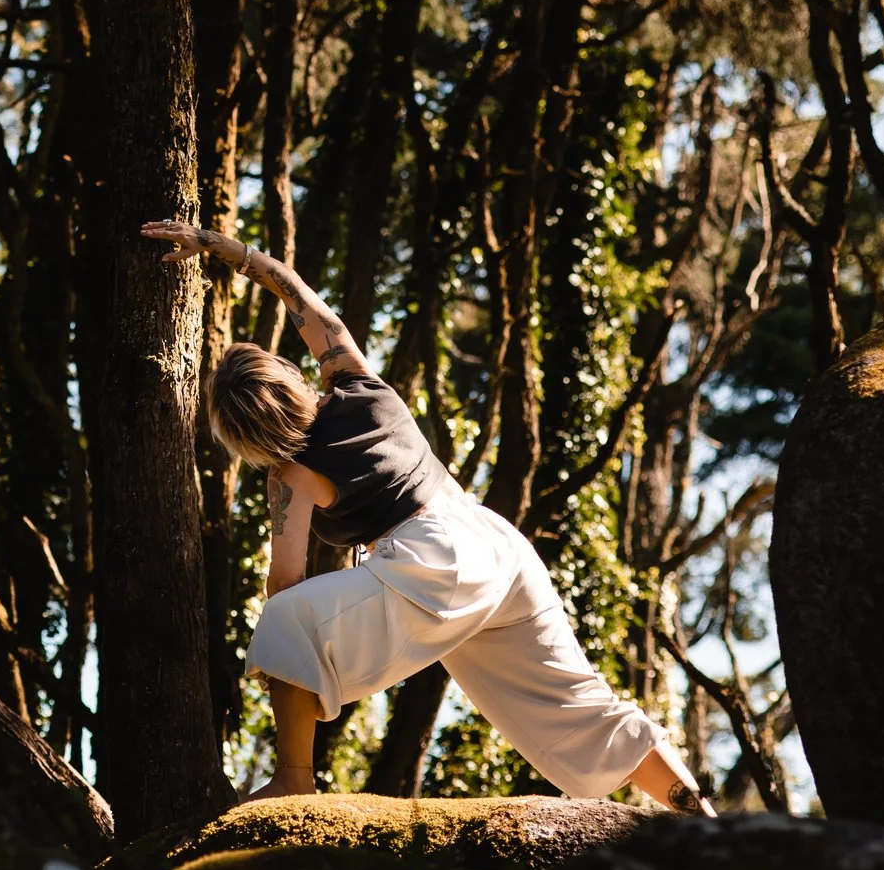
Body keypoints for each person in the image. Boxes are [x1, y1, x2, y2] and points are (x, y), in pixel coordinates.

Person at [140, 218, 717, 815]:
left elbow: (285, 584)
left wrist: (291, 673)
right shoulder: (357, 383)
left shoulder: (288, 474)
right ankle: (698, 812)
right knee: (575, 703)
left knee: (286, 619)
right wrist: (218, 246)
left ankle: (293, 779)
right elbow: (299, 295)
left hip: (434, 562)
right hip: (494, 545)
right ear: (287, 377)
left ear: (244, 436)